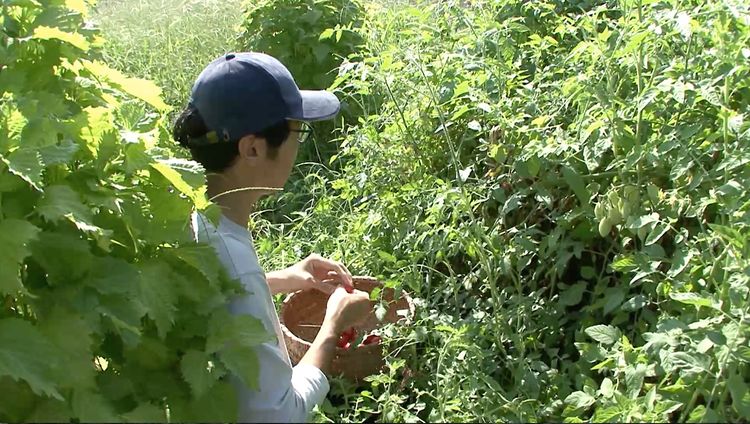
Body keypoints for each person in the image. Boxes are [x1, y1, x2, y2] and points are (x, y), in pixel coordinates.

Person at [172, 52, 373, 423]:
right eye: (297, 131)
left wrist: (286, 278)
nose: (298, 146)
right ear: (252, 148)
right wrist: (332, 327)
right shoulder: (234, 263)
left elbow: (222, 294)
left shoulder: (192, 215)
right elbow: (279, 414)